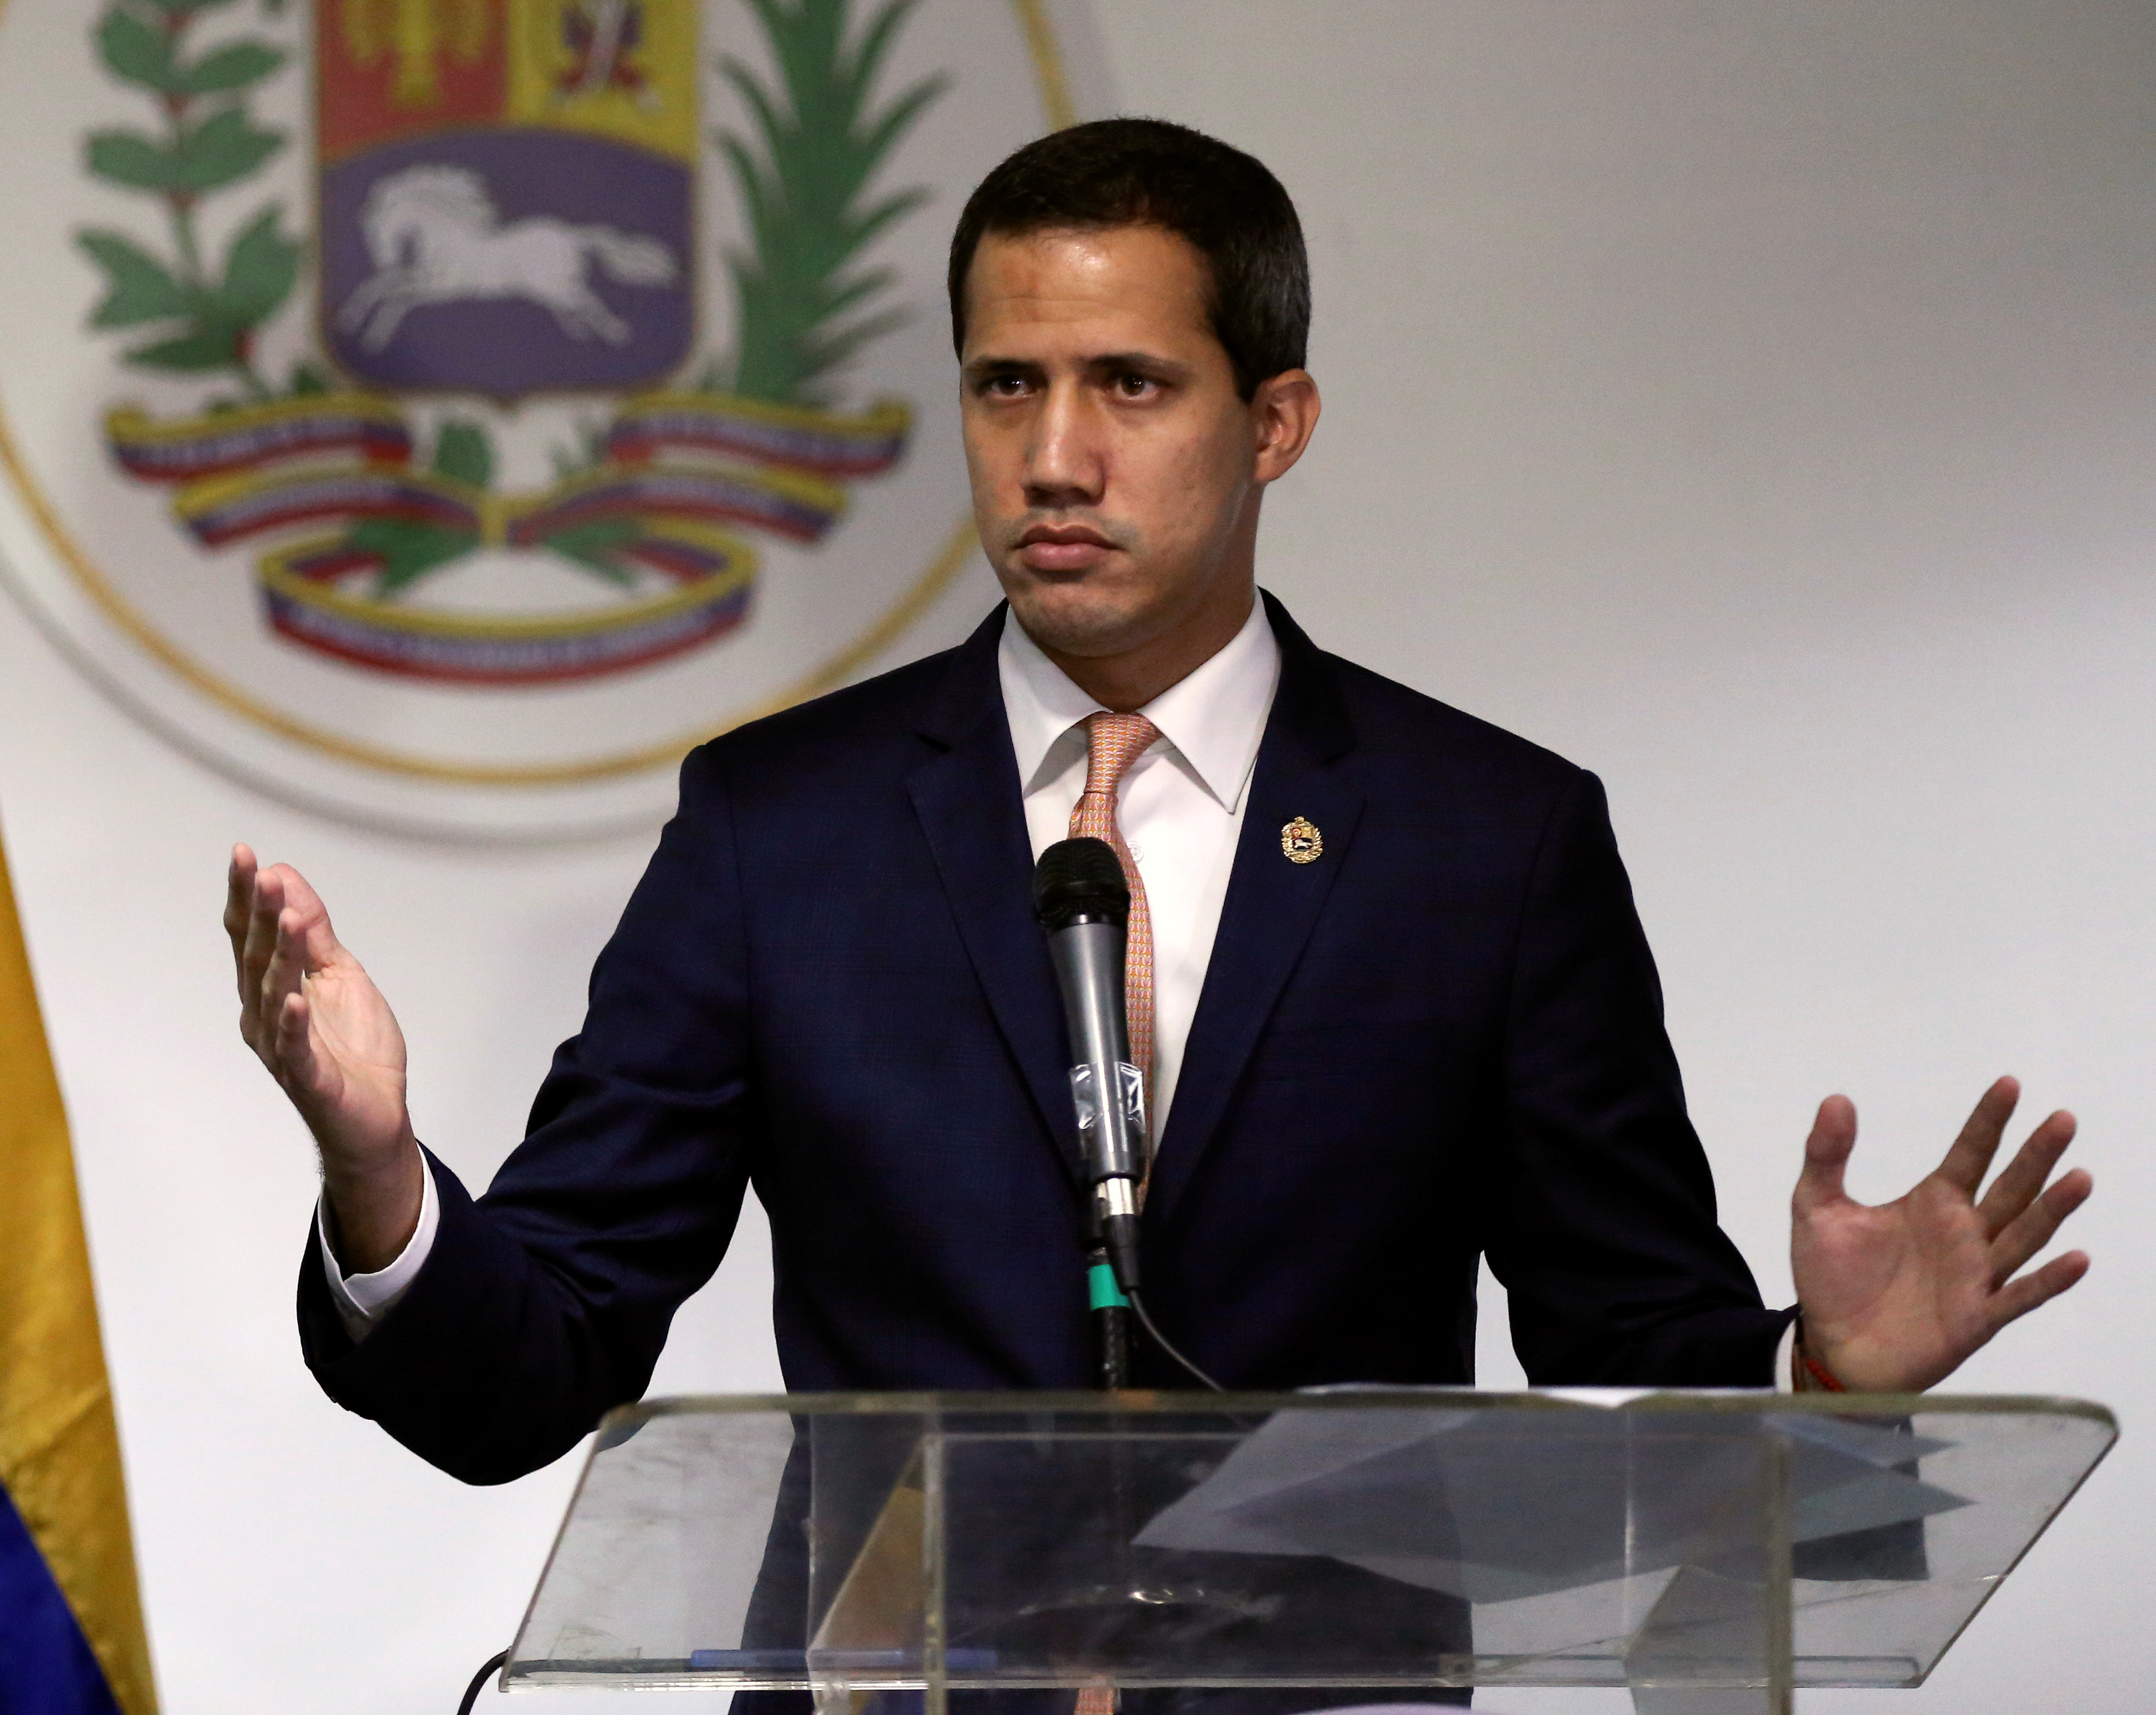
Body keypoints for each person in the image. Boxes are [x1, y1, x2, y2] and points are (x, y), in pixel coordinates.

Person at [222, 120, 2091, 1697]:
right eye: (1005, 383)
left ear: (1274, 420)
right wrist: (380, 1176)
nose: (1053, 457)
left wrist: (1822, 1380)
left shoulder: (1485, 843)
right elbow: (526, 1371)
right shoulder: (778, 829)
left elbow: (1634, 1375)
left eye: (1130, 384)